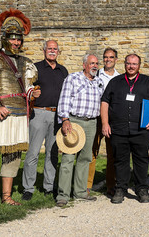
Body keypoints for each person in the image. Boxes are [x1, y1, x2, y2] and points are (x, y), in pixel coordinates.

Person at [0, 8, 41, 209]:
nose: (16, 43)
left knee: (12, 159)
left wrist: (32, 94)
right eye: (13, 39)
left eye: (19, 39)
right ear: (4, 39)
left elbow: (26, 88)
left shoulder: (26, 63)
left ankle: (6, 196)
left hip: (19, 117)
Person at [101, 53, 149, 204]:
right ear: (124, 64)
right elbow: (104, 102)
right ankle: (120, 188)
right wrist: (105, 123)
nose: (131, 66)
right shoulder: (115, 82)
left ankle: (141, 189)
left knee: (141, 160)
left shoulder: (148, 82)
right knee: (120, 161)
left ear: (139, 65)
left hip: (141, 130)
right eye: (129, 63)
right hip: (119, 130)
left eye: (134, 64)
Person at [22, 40, 68, 201]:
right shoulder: (36, 68)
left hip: (57, 115)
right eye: (50, 48)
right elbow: (25, 86)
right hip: (39, 113)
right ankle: (28, 188)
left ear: (59, 52)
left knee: (52, 152)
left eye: (55, 49)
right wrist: (31, 93)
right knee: (33, 152)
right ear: (44, 51)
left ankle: (49, 187)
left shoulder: (63, 71)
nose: (52, 51)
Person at [55, 54, 103, 207]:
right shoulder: (73, 78)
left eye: (96, 63)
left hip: (91, 122)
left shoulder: (99, 82)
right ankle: (63, 195)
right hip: (74, 121)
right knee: (68, 158)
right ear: (84, 65)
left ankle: (80, 192)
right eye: (91, 63)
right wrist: (65, 119)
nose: (94, 66)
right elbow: (64, 98)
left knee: (85, 158)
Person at [87, 47, 119, 196]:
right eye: (105, 57)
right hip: (96, 116)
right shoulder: (95, 75)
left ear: (116, 60)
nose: (108, 60)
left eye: (111, 57)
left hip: (113, 118)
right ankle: (86, 185)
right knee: (92, 151)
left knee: (112, 153)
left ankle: (111, 185)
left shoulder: (120, 78)